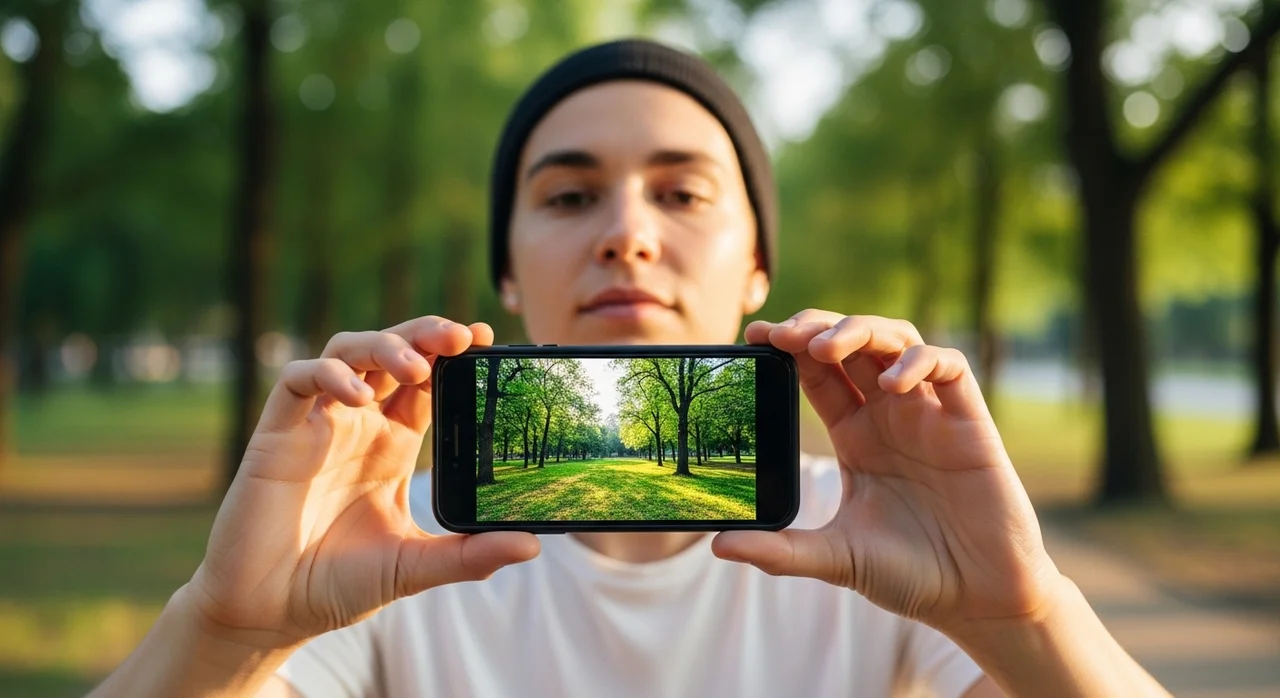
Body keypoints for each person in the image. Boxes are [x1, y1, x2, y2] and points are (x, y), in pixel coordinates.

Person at [89, 39, 1173, 698]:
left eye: (682, 191)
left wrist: (1026, 615)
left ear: (757, 264)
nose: (625, 234)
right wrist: (228, 629)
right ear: (506, 273)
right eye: (566, 195)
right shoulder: (385, 543)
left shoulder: (873, 534)